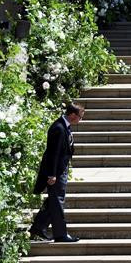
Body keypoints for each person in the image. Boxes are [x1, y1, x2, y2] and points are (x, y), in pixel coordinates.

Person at [29, 103, 84, 243]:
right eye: (80, 117)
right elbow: (53, 154)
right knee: (57, 201)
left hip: (60, 170)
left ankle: (37, 228)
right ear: (72, 115)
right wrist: (52, 174)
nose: (80, 120)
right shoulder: (59, 128)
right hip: (56, 172)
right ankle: (61, 234)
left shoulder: (63, 126)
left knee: (53, 200)